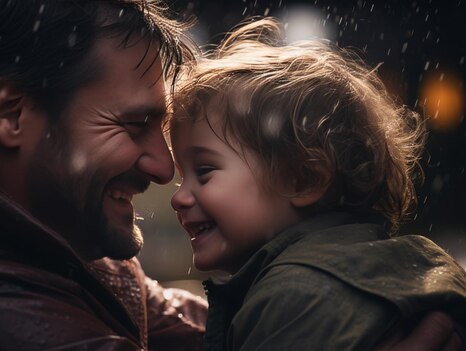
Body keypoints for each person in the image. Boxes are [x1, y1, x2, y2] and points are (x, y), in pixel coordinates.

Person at [0, 1, 458, 349]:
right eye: (133, 125)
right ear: (12, 113)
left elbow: (180, 323)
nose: (163, 168)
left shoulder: (42, 231)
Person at [169, 17, 466, 350]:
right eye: (182, 176)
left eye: (204, 171)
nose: (178, 198)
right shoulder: (420, 269)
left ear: (304, 179)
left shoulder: (291, 302)